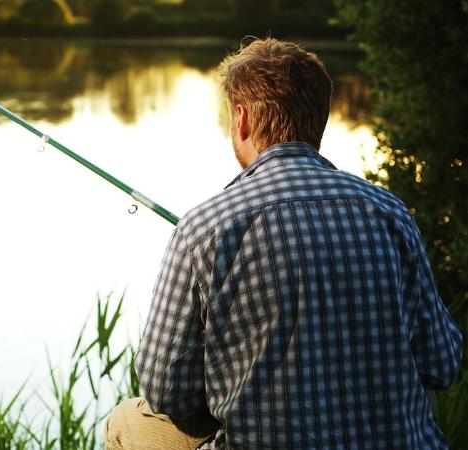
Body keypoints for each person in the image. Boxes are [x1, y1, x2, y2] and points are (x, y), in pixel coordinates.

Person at [104, 38, 464, 449]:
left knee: (125, 422)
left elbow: (166, 388)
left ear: (241, 119)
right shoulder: (390, 212)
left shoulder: (204, 227)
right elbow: (443, 363)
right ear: (320, 119)